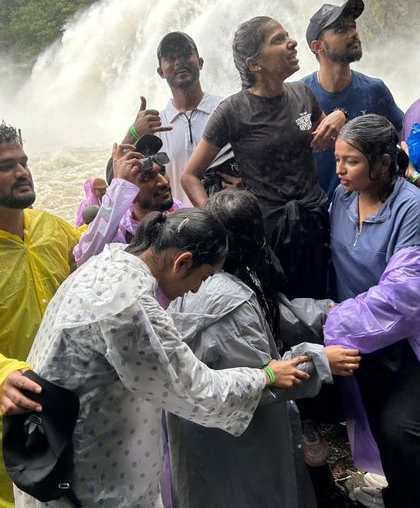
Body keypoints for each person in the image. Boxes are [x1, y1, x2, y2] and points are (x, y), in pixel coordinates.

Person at [13, 209, 299, 508]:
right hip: (88, 474)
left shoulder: (106, 265)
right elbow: (196, 390)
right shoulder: (128, 307)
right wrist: (264, 375)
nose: (198, 289)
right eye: (204, 277)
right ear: (183, 262)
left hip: (48, 450)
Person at [167, 189, 360, 508]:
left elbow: (267, 312)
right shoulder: (229, 303)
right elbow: (263, 383)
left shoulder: (223, 272)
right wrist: (322, 360)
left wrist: (324, 311)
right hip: (233, 437)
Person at [181, 15, 346, 299]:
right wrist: (219, 224)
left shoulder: (303, 95)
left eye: (287, 35)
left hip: (315, 222)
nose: (293, 43)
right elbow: (189, 176)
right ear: (254, 64)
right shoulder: (233, 110)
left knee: (323, 300)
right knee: (282, 308)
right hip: (268, 233)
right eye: (278, 40)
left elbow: (329, 140)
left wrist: (340, 118)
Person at [323, 114, 420, 508]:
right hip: (362, 345)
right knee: (380, 425)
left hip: (404, 342)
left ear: (383, 162)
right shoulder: (342, 196)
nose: (340, 170)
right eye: (337, 159)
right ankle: (399, 492)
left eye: (352, 161)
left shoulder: (410, 208)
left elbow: (404, 295)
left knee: (401, 428)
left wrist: (330, 319)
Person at [0, 122, 79, 508]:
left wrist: (125, 193)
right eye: (6, 166)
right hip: (8, 436)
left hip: (67, 418)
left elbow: (100, 265)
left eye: (23, 161)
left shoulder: (53, 229)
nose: (22, 172)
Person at [301, 0, 403, 199]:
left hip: (371, 210)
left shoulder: (374, 90)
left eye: (353, 26)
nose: (353, 33)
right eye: (341, 29)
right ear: (317, 46)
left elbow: (404, 133)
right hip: (317, 214)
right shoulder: (299, 95)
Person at [122, 32, 228, 205]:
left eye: (186, 55)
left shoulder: (226, 109)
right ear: (160, 72)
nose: (179, 62)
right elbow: (117, 179)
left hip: (228, 222)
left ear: (200, 62)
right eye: (170, 58)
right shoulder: (155, 127)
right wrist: (133, 132)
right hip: (179, 226)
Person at [74, 135, 183, 267]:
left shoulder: (183, 218)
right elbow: (85, 259)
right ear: (126, 190)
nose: (164, 182)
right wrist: (118, 190)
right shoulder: (119, 233)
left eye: (162, 171)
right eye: (147, 177)